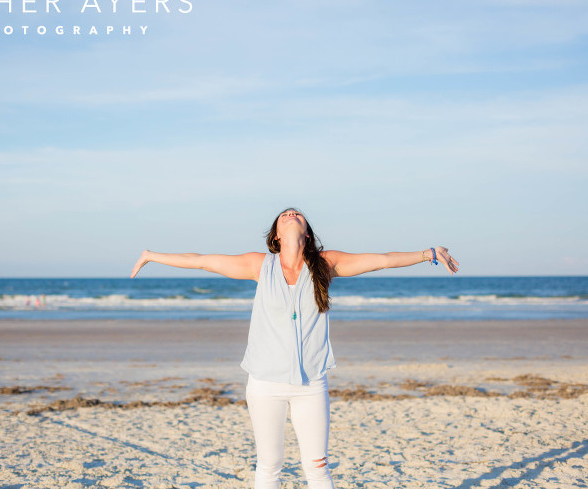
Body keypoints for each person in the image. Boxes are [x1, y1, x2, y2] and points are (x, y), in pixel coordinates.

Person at [130, 208, 459, 488]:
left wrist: (428, 253)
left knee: (317, 468)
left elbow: (381, 261)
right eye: (284, 215)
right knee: (269, 467)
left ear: (306, 234)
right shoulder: (260, 265)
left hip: (311, 385)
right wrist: (151, 255)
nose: (291, 214)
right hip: (264, 384)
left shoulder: (326, 264)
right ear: (276, 236)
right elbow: (201, 261)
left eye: (297, 214)